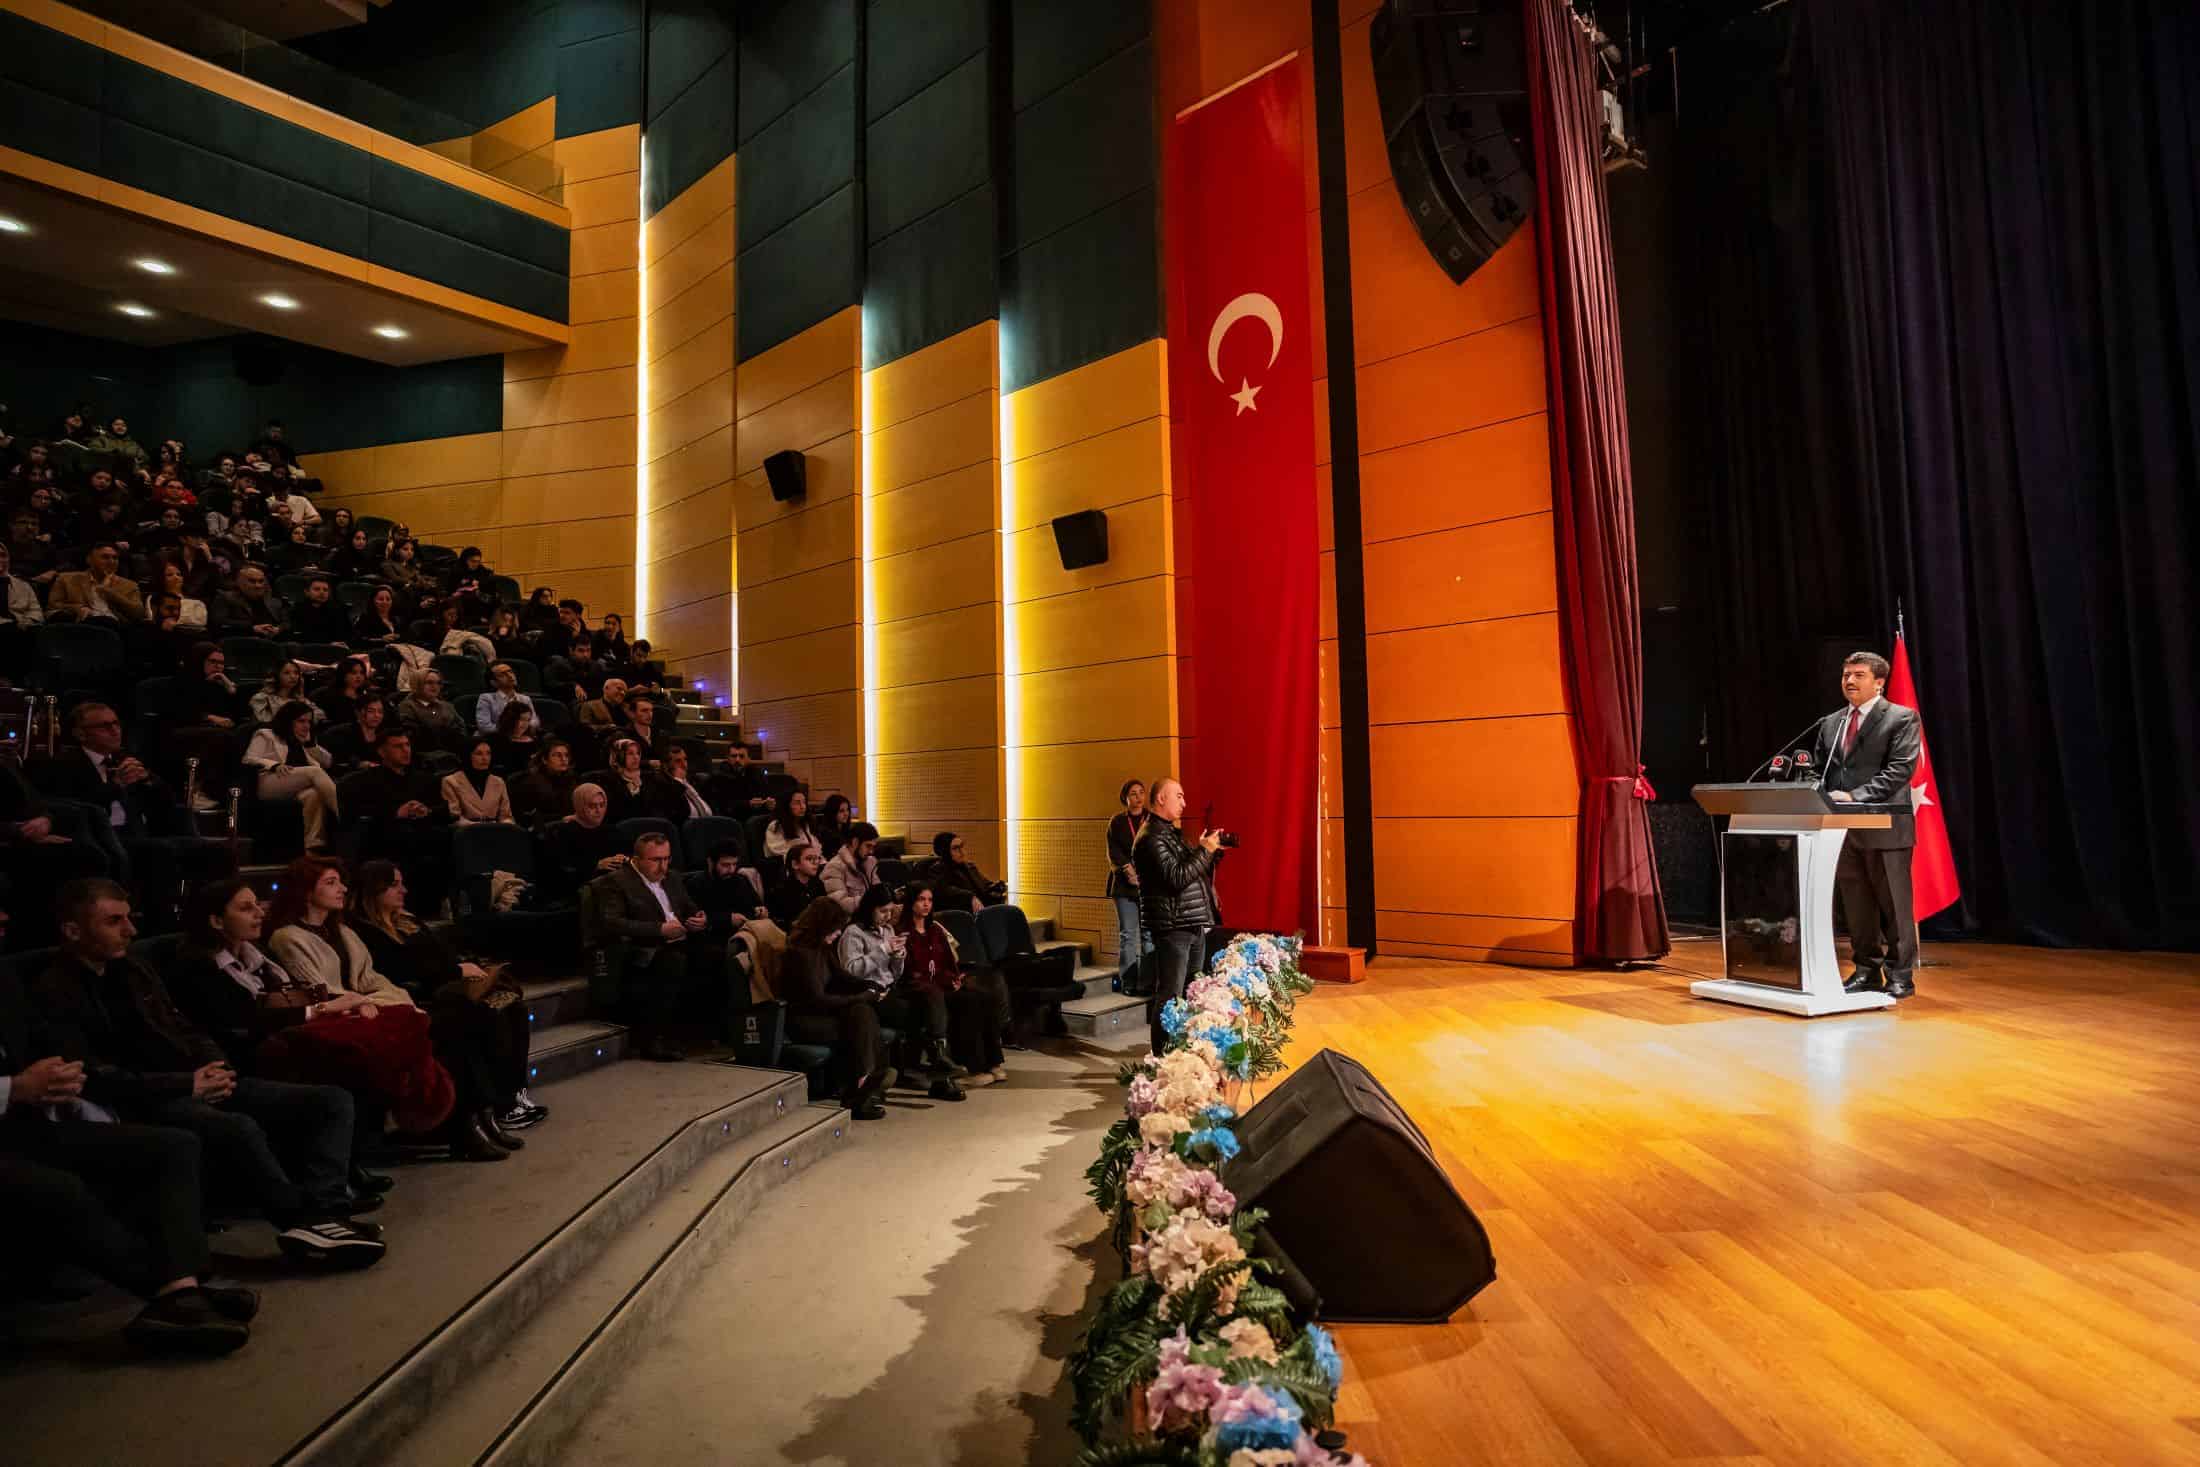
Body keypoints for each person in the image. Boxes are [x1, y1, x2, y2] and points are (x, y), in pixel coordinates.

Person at [26, 879, 385, 1264]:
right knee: (238, 1126)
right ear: (73, 930)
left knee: (330, 1101)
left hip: (193, 1079)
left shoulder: (131, 968)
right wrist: (188, 1083)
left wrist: (217, 1067)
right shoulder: (56, 990)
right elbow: (95, 1076)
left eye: (129, 918)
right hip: (143, 1099)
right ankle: (301, 1220)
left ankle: (327, 1213)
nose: (130, 930)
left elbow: (185, 1027)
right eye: (114, 921)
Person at [1, 951, 254, 1354]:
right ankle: (172, 1292)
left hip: (24, 1123)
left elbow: (45, 1045)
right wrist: (14, 1088)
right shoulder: (55, 981)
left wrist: (62, 1075)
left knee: (174, 1146)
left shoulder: (6, 975)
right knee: (58, 1187)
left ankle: (183, 1286)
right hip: (13, 1118)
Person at [347, 860, 543, 1142]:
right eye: (394, 885)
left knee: (513, 1007)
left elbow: (443, 955)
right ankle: (493, 1106)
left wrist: (467, 968)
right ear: (374, 890)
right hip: (419, 996)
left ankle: (513, 1095)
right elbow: (397, 970)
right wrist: (455, 971)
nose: (403, 890)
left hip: (449, 987)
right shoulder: (364, 931)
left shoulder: (408, 921)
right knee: (484, 1016)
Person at [1814, 650, 1924, 1000]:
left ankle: (1900, 975)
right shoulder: (1831, 722)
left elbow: (1900, 770)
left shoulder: (1901, 718)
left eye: (1858, 675)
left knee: (1895, 906)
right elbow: (1820, 770)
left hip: (1885, 827)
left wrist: (1854, 796)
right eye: (1846, 674)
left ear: (1879, 682)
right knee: (1857, 907)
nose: (1849, 681)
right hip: (1842, 830)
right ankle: (1866, 971)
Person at [588, 831, 708, 1061]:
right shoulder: (615, 882)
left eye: (667, 859)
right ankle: (653, 1040)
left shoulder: (672, 877)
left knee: (714, 956)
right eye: (656, 860)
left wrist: (699, 918)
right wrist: (659, 929)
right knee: (672, 962)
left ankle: (703, 1033)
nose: (663, 867)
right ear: (637, 859)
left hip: (680, 939)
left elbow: (688, 907)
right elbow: (613, 923)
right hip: (642, 948)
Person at [836, 885, 962, 1102]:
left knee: (932, 999)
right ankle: (939, 1070)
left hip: (890, 991)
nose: (887, 916)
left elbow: (894, 973)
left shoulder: (887, 930)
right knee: (925, 1010)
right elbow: (851, 970)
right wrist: (883, 950)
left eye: (890, 911)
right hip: (868, 995)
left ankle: (940, 1067)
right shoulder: (853, 933)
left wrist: (898, 957)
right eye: (883, 911)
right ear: (870, 908)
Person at [1131, 776, 1226, 1054]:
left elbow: (1191, 872)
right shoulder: (1149, 838)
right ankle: (1163, 1057)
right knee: (1170, 996)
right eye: (1179, 796)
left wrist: (1210, 853)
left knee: (1192, 990)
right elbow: (1177, 877)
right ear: (1161, 798)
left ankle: (1185, 1052)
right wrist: (1203, 851)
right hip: (1173, 928)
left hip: (1190, 922)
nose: (1184, 803)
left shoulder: (1170, 834)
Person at [778, 897, 890, 1120]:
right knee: (861, 1020)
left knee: (862, 1012)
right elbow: (817, 1000)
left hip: (825, 1013)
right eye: (836, 928)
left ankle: (864, 1080)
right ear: (822, 925)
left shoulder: (822, 948)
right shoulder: (800, 954)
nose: (839, 933)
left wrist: (870, 986)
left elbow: (842, 977)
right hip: (804, 1020)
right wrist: (863, 996)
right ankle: (867, 1079)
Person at [900, 882, 1006, 1085]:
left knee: (986, 996)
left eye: (930, 900)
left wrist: (954, 979)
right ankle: (973, 1068)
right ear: (911, 902)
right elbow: (910, 973)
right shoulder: (903, 932)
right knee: (968, 1003)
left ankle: (993, 1063)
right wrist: (944, 983)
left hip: (944, 986)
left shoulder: (935, 930)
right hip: (924, 992)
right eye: (921, 900)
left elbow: (948, 963)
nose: (926, 904)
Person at [344, 728, 454, 916]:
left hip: (424, 836)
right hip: (386, 837)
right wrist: (396, 813)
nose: (405, 750)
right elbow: (360, 814)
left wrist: (426, 811)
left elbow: (444, 810)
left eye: (407, 745)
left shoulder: (424, 779)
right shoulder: (366, 781)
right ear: (382, 752)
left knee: (447, 839)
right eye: (398, 746)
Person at [242, 701, 341, 851]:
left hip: (297, 785)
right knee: (314, 772)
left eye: (309, 722)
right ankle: (344, 814)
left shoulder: (304, 739)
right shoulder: (266, 734)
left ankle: (312, 846)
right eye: (301, 721)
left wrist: (311, 745)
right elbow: (249, 758)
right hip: (269, 782)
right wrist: (274, 765)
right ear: (288, 720)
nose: (306, 726)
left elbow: (328, 762)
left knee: (314, 794)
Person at [541, 783, 627, 900]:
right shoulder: (562, 833)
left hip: (612, 885)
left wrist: (623, 859)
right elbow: (559, 872)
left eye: (602, 805)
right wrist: (596, 866)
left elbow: (629, 854)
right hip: (577, 890)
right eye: (592, 806)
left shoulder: (611, 830)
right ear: (579, 806)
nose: (598, 811)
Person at [1107, 778, 1154, 983]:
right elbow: (1113, 850)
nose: (1138, 797)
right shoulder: (1117, 822)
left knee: (1148, 935)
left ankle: (1148, 980)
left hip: (1148, 886)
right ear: (1125, 798)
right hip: (1124, 886)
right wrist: (1127, 869)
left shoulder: (1151, 819)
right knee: (1128, 934)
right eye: (1133, 794)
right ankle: (1128, 980)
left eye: (1141, 793)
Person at [47, 541, 146, 623]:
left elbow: (139, 614)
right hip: (81, 624)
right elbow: (53, 605)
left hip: (115, 627)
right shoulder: (66, 579)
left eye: (115, 558)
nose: (111, 561)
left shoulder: (130, 585)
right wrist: (77, 608)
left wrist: (110, 593)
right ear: (89, 560)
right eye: (105, 557)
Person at [917, 830, 1009, 913]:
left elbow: (985, 885)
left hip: (980, 911)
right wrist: (970, 897)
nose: (962, 852)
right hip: (958, 915)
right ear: (945, 851)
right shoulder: (937, 869)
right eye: (956, 848)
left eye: (962, 847)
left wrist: (996, 886)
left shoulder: (970, 867)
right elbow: (942, 890)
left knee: (1009, 912)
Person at [694, 840, 769, 938]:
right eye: (725, 865)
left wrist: (761, 911)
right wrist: (728, 920)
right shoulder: (697, 884)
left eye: (734, 864)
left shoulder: (741, 879)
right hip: (717, 938)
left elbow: (756, 905)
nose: (732, 870)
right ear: (711, 863)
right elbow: (698, 919)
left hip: (749, 932)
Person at [442, 737, 514, 824]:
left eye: (488, 753)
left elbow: (506, 816)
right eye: (479, 754)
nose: (485, 758)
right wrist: (480, 827)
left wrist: (505, 826)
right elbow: (455, 817)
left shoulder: (498, 781)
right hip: (467, 830)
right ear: (467, 756)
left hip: (495, 829)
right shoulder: (451, 781)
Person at [511, 738, 579, 829]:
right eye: (557, 755)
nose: (563, 759)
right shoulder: (531, 782)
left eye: (566, 755)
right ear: (544, 760)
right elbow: (527, 817)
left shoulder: (573, 779)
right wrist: (561, 819)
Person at [321, 691, 391, 773]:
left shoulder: (385, 733)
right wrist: (360, 764)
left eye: (380, 712)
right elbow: (343, 760)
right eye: (371, 711)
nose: (377, 715)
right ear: (358, 712)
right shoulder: (343, 733)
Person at [768, 840, 830, 927]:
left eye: (817, 858)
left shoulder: (817, 884)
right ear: (795, 864)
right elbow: (784, 922)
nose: (816, 862)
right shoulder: (782, 890)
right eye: (809, 859)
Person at [822, 821, 881, 911]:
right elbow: (838, 904)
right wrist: (869, 900)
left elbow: (878, 891)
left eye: (873, 847)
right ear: (855, 842)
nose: (871, 852)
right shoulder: (834, 867)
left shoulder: (869, 863)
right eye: (868, 846)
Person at [215, 562, 285, 637]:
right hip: (242, 638)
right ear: (239, 582)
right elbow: (219, 623)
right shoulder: (225, 598)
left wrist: (278, 629)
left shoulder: (273, 600)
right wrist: (252, 628)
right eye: (252, 581)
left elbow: (287, 622)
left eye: (261, 581)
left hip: (273, 638)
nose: (258, 586)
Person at [476, 660, 537, 736]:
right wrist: (511, 730)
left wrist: (521, 730)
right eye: (502, 675)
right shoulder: (486, 698)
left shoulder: (525, 699)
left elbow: (534, 722)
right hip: (496, 738)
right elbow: (484, 726)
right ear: (494, 683)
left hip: (520, 736)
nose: (510, 676)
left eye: (510, 672)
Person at [248, 659, 317, 727]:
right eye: (286, 673)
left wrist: (301, 697)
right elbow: (264, 723)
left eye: (296, 673)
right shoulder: (263, 698)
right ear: (276, 676)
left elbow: (317, 716)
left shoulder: (299, 699)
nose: (293, 676)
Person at [656, 743, 714, 823]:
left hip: (710, 822)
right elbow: (679, 814)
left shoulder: (695, 781)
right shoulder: (663, 786)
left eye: (685, 759)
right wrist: (678, 780)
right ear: (666, 766)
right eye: (678, 761)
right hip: (689, 826)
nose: (684, 765)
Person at [289, 574, 353, 645]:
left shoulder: (338, 610)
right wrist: (329, 644)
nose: (322, 592)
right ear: (307, 592)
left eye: (325, 590)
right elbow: (299, 637)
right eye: (317, 589)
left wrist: (344, 644)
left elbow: (349, 634)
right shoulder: (297, 610)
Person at [314, 656, 371, 726]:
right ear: (343, 674)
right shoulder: (330, 696)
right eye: (353, 673)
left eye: (362, 673)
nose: (358, 676)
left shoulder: (366, 695)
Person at [718, 743, 775, 813]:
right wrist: (748, 804)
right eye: (733, 756)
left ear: (749, 758)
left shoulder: (756, 773)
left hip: (756, 814)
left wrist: (769, 804)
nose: (737, 760)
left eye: (742, 756)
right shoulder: (721, 776)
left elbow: (766, 795)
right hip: (733, 816)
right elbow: (725, 804)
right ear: (728, 758)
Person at [763, 788, 813, 859]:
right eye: (797, 803)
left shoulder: (803, 824)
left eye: (804, 802)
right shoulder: (776, 825)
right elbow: (780, 853)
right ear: (786, 805)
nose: (802, 807)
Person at [350, 584, 403, 649]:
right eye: (381, 599)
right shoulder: (365, 618)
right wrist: (381, 639)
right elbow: (356, 641)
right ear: (373, 601)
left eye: (388, 599)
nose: (385, 602)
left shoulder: (396, 619)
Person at [814, 793, 854, 859]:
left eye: (847, 810)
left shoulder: (847, 831)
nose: (846, 814)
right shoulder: (825, 833)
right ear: (833, 812)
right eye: (841, 811)